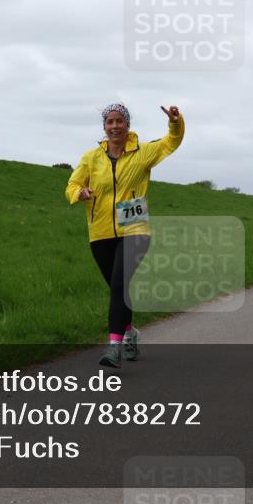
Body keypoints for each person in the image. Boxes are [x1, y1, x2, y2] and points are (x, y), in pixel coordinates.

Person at [65, 103, 184, 367]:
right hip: (100, 232)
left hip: (135, 230)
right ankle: (130, 332)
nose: (115, 126)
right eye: (110, 121)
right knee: (118, 289)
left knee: (119, 285)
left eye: (120, 121)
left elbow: (171, 142)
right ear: (104, 127)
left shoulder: (144, 153)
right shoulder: (91, 158)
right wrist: (79, 193)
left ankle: (114, 347)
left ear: (127, 125)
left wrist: (175, 122)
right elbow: (72, 184)